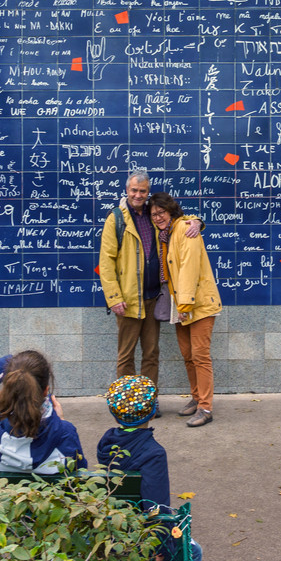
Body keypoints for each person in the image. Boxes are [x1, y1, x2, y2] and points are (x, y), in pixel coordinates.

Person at [97, 170, 201, 417]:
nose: (138, 195)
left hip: (154, 298)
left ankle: (148, 403)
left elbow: (179, 218)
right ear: (127, 190)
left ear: (148, 192)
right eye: (134, 190)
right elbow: (106, 260)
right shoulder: (116, 219)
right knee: (126, 356)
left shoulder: (155, 213)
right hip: (128, 301)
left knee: (152, 354)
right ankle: (126, 406)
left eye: (143, 191)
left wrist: (197, 221)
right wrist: (114, 298)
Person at [98, 375, 203, 561]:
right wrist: (161, 549)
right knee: (194, 551)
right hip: (139, 533)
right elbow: (156, 506)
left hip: (112, 526)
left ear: (114, 413)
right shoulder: (153, 453)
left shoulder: (105, 443)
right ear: (153, 413)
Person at [148, 192, 221, 428]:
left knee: (200, 356)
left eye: (161, 212)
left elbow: (189, 268)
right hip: (179, 303)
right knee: (188, 356)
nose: (158, 217)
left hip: (196, 304)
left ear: (171, 211)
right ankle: (197, 398)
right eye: (154, 214)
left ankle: (206, 407)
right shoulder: (165, 235)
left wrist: (185, 305)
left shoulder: (186, 230)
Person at [0, 352, 86, 473]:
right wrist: (61, 422)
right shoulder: (66, 434)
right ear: (46, 391)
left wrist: (10, 363)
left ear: (8, 387)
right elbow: (79, 478)